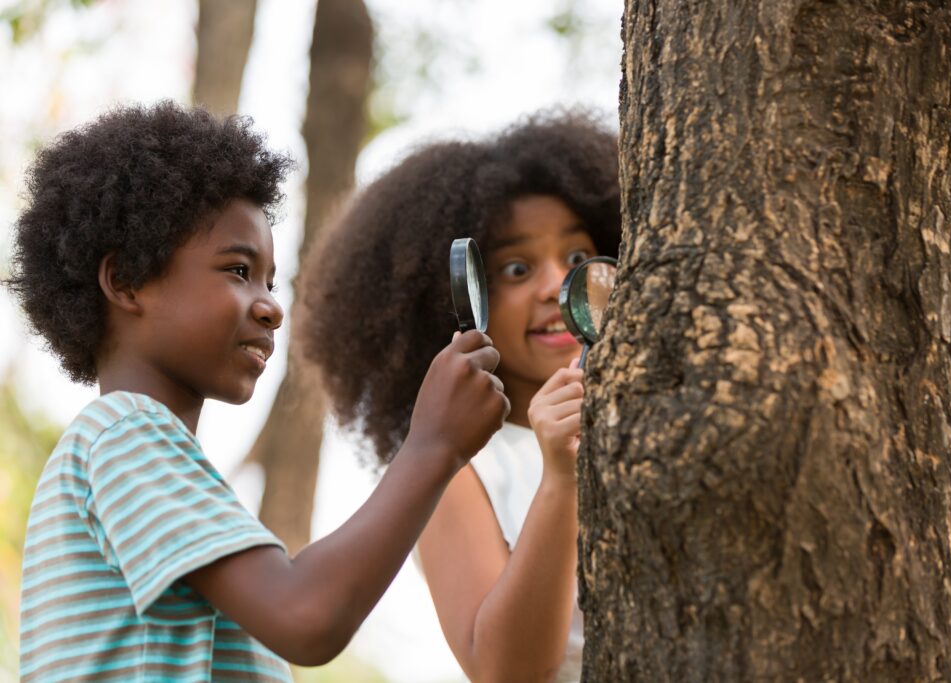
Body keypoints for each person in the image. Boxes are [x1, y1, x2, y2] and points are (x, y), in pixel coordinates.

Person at [5, 101, 508, 682]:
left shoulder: (124, 452)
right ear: (126, 281)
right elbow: (304, 613)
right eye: (238, 271)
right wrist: (431, 448)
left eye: (270, 280)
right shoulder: (125, 435)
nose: (271, 306)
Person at [298, 111, 621, 682]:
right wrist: (561, 477)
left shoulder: (652, 422)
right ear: (454, 304)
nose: (556, 285)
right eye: (517, 269)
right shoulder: (458, 471)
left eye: (576, 258)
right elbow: (503, 671)